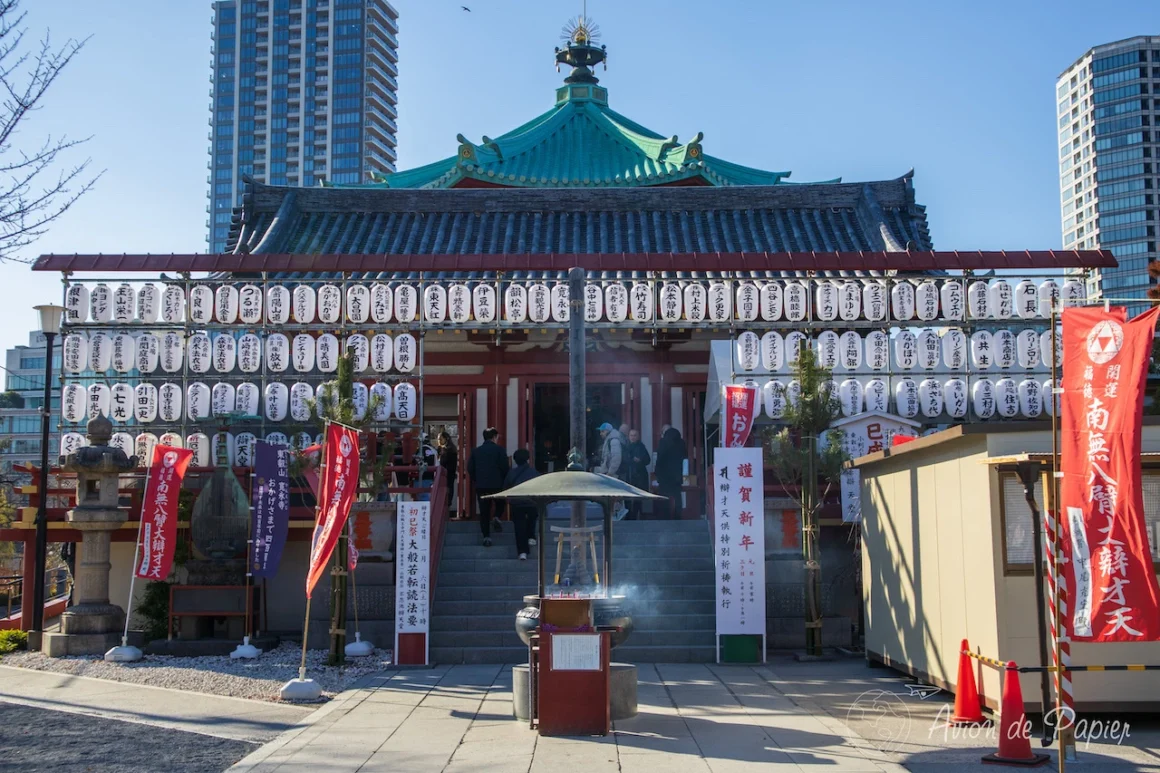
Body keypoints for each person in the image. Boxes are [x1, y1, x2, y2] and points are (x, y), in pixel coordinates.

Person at [467, 427, 509, 546]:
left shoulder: (476, 451)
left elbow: (470, 468)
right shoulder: (500, 450)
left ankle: (486, 537)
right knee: (500, 503)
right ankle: (496, 516)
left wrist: (477, 479)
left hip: (481, 485)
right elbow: (505, 468)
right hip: (497, 484)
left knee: (484, 511)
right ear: (494, 437)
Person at [503, 448, 540, 560]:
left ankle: (522, 552)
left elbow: (506, 487)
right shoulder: (534, 472)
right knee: (532, 519)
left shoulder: (512, 473)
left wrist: (509, 500)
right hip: (531, 502)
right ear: (528, 459)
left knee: (519, 527)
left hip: (517, 502)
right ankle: (531, 536)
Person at [595, 422, 628, 520]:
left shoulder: (613, 441)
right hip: (612, 473)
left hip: (613, 474)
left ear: (608, 431)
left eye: (602, 431)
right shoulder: (611, 440)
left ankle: (617, 514)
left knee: (614, 494)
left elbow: (616, 458)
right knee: (613, 495)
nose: (601, 433)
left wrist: (610, 472)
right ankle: (614, 514)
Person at [655, 425, 687, 519]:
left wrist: (657, 471)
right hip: (677, 474)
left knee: (664, 496)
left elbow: (660, 458)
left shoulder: (663, 442)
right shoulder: (681, 442)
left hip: (664, 474)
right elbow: (685, 455)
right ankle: (678, 515)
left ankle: (665, 516)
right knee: (677, 495)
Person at [624, 428, 651, 520]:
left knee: (638, 499)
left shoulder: (641, 447)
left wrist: (640, 461)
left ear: (638, 436)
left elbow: (648, 460)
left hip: (639, 476)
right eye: (631, 435)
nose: (633, 437)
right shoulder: (626, 446)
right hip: (629, 475)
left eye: (635, 435)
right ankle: (629, 516)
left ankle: (635, 516)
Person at [435, 431, 458, 517]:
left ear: (446, 439)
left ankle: (445, 512)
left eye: (440, 439)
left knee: (446, 493)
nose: (439, 441)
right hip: (449, 475)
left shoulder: (448, 450)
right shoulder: (450, 449)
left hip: (446, 475)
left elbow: (443, 463)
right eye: (438, 439)